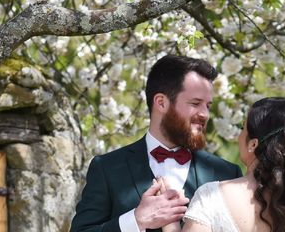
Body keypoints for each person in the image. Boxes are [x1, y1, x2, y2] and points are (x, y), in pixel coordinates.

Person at [70, 54, 243, 232]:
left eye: (208, 105)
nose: (205, 114)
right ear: (161, 103)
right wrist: (136, 220)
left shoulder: (227, 174)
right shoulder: (107, 168)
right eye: (195, 103)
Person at [159, 97, 285, 232]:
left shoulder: (212, 197)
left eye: (242, 129)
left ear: (253, 144)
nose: (238, 136)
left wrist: (170, 223)